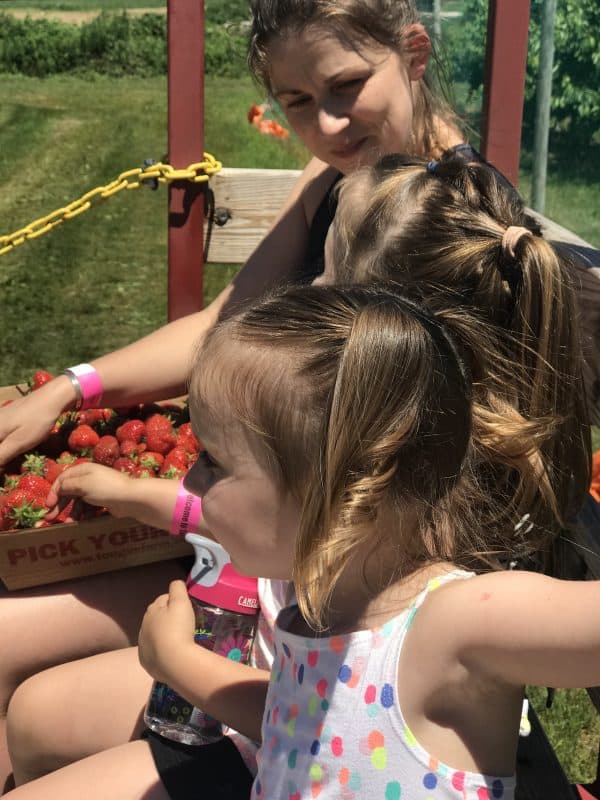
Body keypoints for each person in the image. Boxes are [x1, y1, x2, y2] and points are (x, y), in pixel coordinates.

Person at [5, 155, 591, 795]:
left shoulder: (455, 621)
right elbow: (305, 714)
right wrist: (179, 664)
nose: (305, 288)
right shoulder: (326, 602)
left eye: (326, 276)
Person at [0, 0, 468, 790]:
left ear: (413, 54)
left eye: (347, 85)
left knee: (25, 686)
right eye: (295, 102)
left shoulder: (444, 221)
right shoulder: (336, 180)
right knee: (23, 683)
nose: (326, 123)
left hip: (322, 616)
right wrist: (76, 389)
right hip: (250, 548)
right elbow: (226, 325)